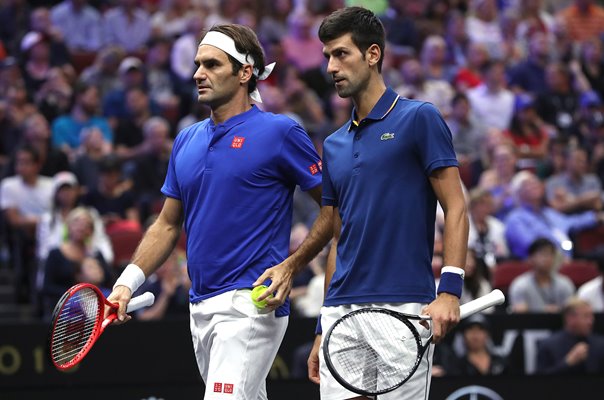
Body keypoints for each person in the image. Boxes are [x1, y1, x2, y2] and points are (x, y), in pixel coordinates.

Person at [253, 7, 469, 400]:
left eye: (341, 54)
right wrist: (322, 325)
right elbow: (339, 235)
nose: (331, 66)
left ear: (373, 54)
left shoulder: (420, 118)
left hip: (404, 307)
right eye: (327, 57)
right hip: (341, 314)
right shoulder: (333, 145)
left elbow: (456, 207)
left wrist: (450, 290)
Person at [106, 23, 323, 400]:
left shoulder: (281, 132)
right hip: (200, 305)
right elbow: (167, 225)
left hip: (251, 302)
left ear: (244, 72)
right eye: (196, 64)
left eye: (211, 64)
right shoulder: (186, 139)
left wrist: (292, 266)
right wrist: (126, 283)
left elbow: (334, 208)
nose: (197, 74)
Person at [536, 297, 604, 374]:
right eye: (586, 316)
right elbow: (539, 381)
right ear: (570, 319)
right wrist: (567, 363)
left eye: (591, 316)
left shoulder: (601, 345)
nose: (591, 321)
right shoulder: (548, 346)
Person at [508, 237, 575, 313]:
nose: (546, 259)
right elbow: (520, 314)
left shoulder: (565, 284)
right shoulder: (520, 285)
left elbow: (572, 312)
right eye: (542, 254)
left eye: (550, 254)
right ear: (531, 258)